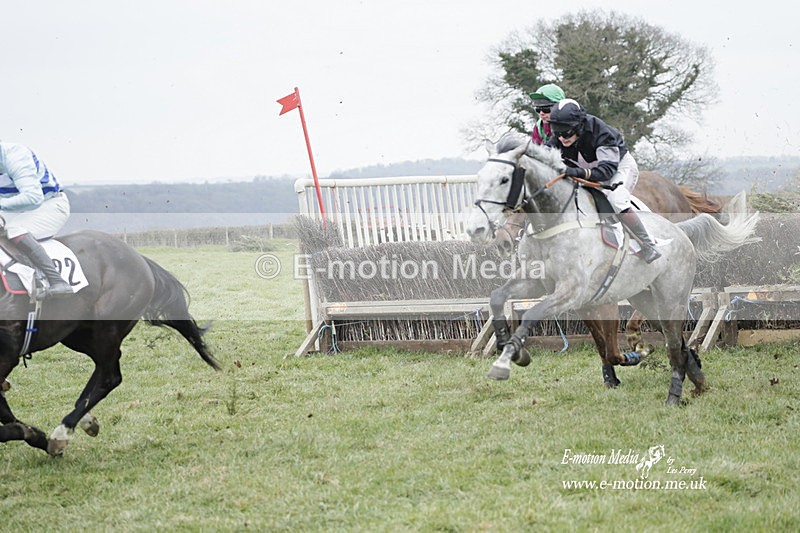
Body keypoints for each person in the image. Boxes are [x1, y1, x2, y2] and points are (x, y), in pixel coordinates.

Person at [546, 99, 661, 263]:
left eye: (566, 133)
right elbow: (544, 154)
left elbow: (606, 172)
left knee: (616, 200)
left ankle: (648, 244)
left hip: (617, 167)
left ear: (579, 126)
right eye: (557, 133)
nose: (562, 138)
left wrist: (575, 172)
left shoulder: (601, 132)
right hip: (590, 168)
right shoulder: (561, 133)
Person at [0, 142, 73, 298]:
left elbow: (33, 197)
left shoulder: (16, 157)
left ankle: (57, 281)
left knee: (14, 229)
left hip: (50, 205)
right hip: (15, 209)